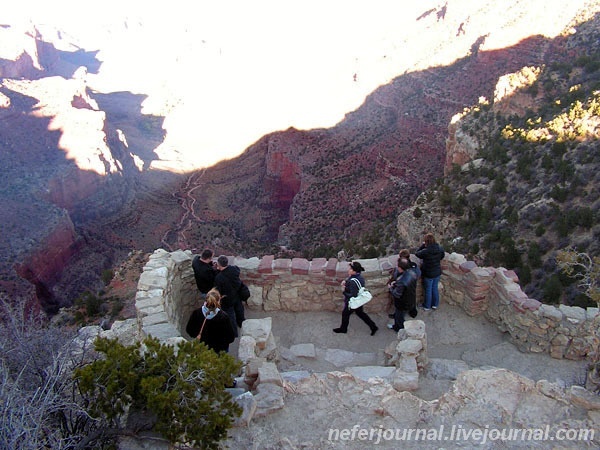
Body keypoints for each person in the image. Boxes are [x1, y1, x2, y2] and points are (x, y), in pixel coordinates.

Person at [333, 261, 378, 336]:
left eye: (350, 269)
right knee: (361, 313)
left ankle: (343, 329)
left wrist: (343, 291)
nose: (348, 270)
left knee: (345, 314)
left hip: (352, 302)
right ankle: (373, 326)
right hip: (359, 300)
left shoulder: (352, 282)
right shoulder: (359, 277)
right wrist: (346, 281)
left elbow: (352, 295)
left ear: (354, 271)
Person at [185, 288, 235, 353]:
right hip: (219, 351)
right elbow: (230, 337)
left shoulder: (197, 313)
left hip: (202, 349)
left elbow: (189, 330)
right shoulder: (223, 317)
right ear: (218, 301)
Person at [214, 255, 245, 336]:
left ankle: (234, 333)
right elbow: (236, 270)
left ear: (219, 265)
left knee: (231, 316)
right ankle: (242, 324)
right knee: (239, 310)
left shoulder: (219, 278)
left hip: (227, 299)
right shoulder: (234, 269)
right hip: (237, 294)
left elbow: (218, 291)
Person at [388, 258, 421, 331]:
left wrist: (391, 288)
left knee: (399, 317)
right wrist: (396, 283)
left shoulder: (402, 280)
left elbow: (396, 294)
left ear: (400, 268)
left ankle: (400, 329)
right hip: (411, 298)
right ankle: (397, 326)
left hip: (402, 302)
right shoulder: (413, 273)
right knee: (399, 315)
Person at [415, 232, 445, 311]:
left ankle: (427, 306)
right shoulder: (439, 248)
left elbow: (417, 254)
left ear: (426, 242)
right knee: (434, 288)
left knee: (428, 290)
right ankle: (435, 304)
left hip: (428, 273)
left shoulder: (426, 251)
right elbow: (442, 256)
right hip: (437, 272)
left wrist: (422, 245)